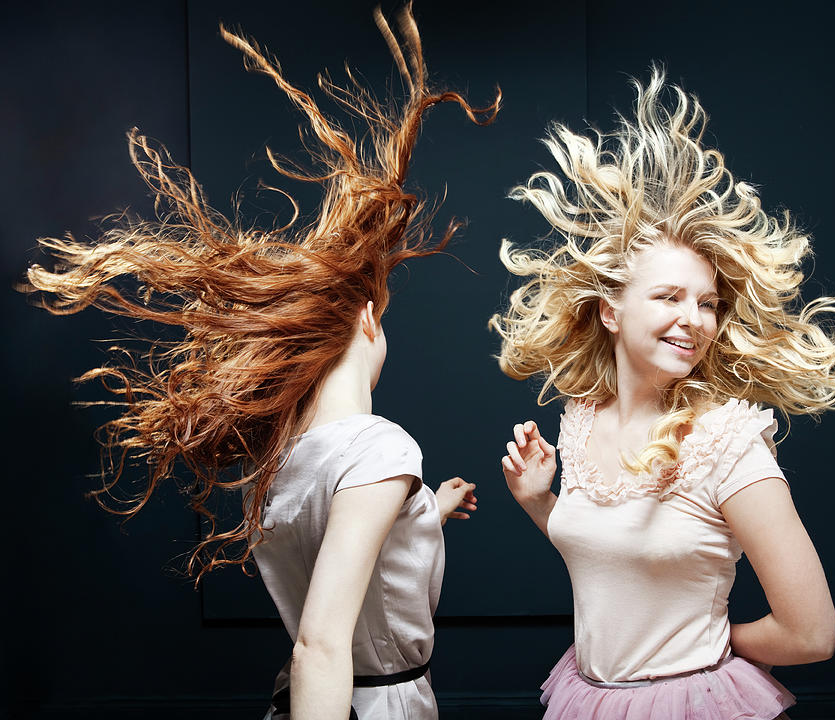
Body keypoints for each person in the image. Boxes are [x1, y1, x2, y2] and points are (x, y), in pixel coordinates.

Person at [23, 6, 498, 720]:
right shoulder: (383, 447)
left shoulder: (283, 461)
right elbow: (321, 645)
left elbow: (342, 540)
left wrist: (425, 510)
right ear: (368, 321)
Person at [491, 68, 835, 720]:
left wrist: (702, 648)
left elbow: (812, 634)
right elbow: (616, 562)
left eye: (707, 303)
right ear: (610, 311)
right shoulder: (579, 420)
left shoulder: (727, 443)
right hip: (587, 696)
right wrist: (539, 504)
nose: (694, 318)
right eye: (669, 297)